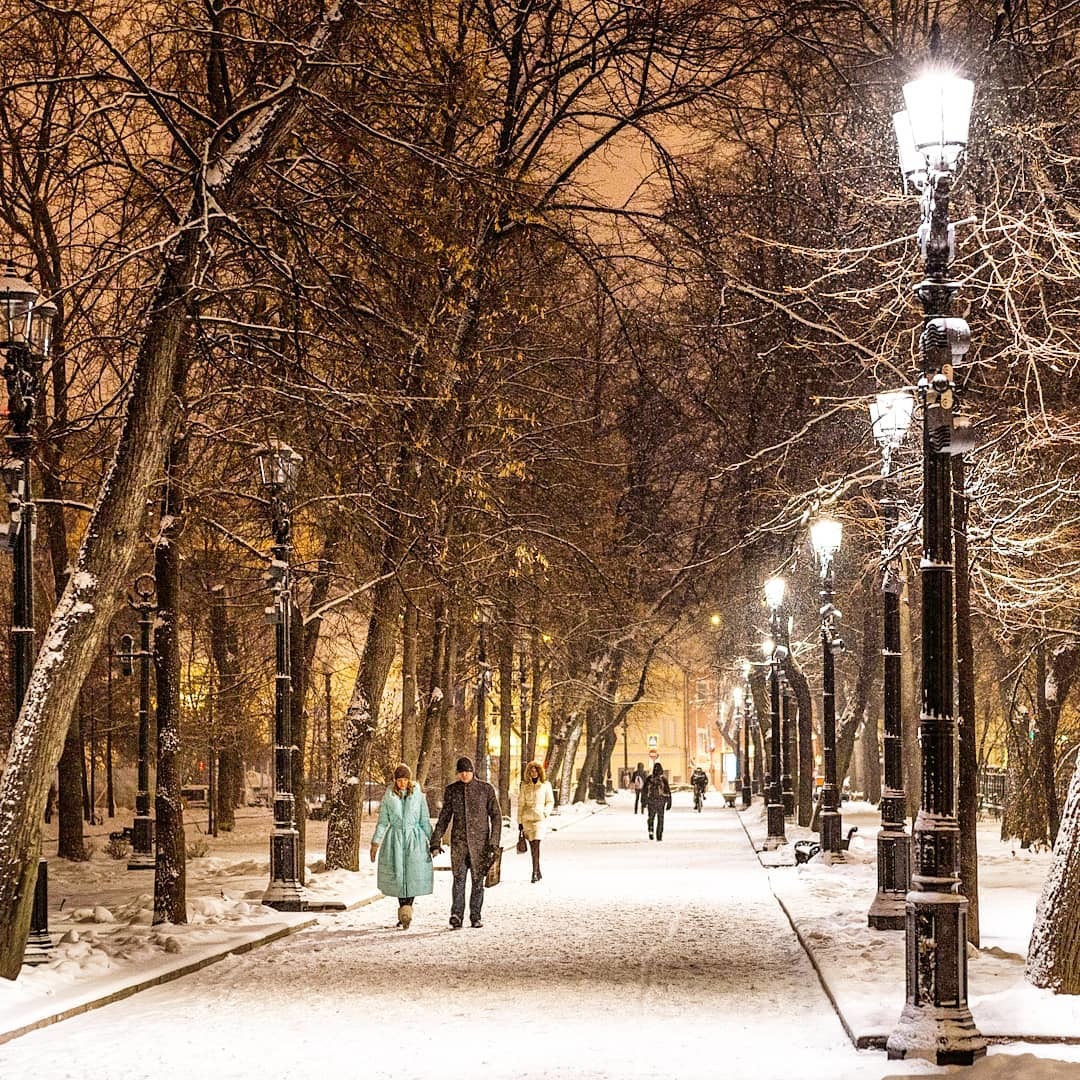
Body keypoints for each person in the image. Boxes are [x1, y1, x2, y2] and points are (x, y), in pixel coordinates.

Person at [430, 756, 501, 929]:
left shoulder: (486, 789)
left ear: (472, 771)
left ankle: (475, 915)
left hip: (481, 844)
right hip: (460, 844)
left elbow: (496, 817)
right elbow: (444, 817)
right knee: (459, 879)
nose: (464, 775)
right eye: (460, 772)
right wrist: (436, 840)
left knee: (477, 881)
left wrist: (494, 842)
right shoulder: (452, 791)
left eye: (467, 772)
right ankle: (456, 914)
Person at [369, 764, 433, 929]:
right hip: (395, 839)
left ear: (409, 779)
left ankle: (407, 909)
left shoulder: (418, 796)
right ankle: (403, 909)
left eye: (405, 779)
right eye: (399, 780)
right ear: (395, 780)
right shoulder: (389, 797)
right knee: (398, 875)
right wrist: (375, 842)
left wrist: (433, 841)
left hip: (414, 839)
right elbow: (383, 822)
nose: (402, 783)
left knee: (411, 874)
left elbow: (424, 820)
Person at [518, 760, 555, 883]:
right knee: (532, 846)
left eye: (535, 771)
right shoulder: (524, 785)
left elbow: (550, 801)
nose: (533, 773)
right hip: (527, 819)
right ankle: (537, 870)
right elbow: (521, 804)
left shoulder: (545, 785)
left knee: (536, 845)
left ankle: (534, 873)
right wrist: (519, 822)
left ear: (539, 772)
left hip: (539, 820)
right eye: (531, 771)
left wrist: (545, 812)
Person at [642, 762, 672, 840]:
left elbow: (644, 790)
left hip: (651, 801)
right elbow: (668, 791)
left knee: (651, 817)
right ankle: (659, 835)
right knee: (660, 818)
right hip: (661, 801)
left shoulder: (649, 778)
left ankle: (651, 829)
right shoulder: (663, 779)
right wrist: (669, 802)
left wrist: (643, 802)